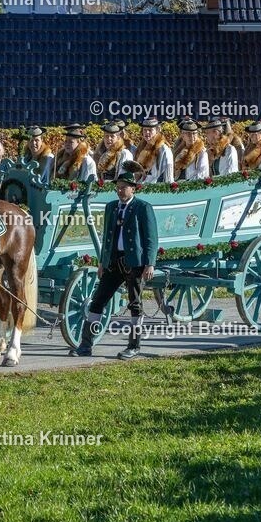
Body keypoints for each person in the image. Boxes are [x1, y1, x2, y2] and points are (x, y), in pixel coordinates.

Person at [69, 169, 157, 360]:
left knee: (135, 304)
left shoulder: (143, 207)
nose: (120, 191)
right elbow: (106, 238)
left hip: (134, 263)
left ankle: (134, 346)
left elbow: (151, 238)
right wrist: (102, 262)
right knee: (98, 302)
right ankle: (86, 344)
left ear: (133, 189)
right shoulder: (111, 207)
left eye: (124, 188)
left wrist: (149, 264)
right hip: (113, 262)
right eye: (118, 188)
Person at [134, 117, 173, 184]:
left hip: (156, 189)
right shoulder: (142, 147)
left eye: (150, 130)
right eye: (145, 130)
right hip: (141, 187)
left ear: (157, 131)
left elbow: (168, 175)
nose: (147, 132)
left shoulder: (164, 149)